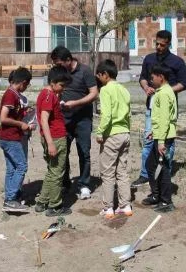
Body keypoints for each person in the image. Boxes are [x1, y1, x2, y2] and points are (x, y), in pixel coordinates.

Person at [132, 30, 186, 188]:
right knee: (148, 140)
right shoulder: (149, 59)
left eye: (161, 45)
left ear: (169, 43)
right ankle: (145, 174)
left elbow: (184, 83)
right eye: (156, 43)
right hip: (151, 108)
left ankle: (165, 174)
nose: (158, 47)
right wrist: (146, 88)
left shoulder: (177, 62)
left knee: (167, 142)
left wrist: (166, 90)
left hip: (168, 110)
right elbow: (143, 78)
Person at [50, 46, 99, 200]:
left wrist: (76, 103)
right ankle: (65, 183)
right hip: (63, 120)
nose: (56, 67)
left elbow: (94, 93)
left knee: (84, 152)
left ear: (68, 60)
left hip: (83, 120)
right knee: (62, 153)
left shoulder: (85, 71)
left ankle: (84, 184)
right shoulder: (58, 73)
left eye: (58, 63)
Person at [94, 59, 133, 219]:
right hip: (125, 133)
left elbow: (107, 114)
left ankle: (108, 208)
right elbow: (129, 113)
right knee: (122, 171)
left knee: (108, 172)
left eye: (99, 75)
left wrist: (100, 132)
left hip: (112, 134)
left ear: (105, 74)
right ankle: (125, 205)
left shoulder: (105, 90)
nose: (98, 78)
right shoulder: (124, 89)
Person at [34, 66, 74, 217]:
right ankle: (55, 206)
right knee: (57, 173)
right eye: (61, 86)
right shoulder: (49, 95)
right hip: (55, 138)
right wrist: (50, 143)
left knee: (51, 172)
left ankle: (42, 201)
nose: (62, 90)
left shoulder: (47, 94)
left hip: (52, 137)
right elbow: (44, 120)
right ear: (53, 82)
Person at [141, 64, 177, 213]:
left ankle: (165, 201)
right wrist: (154, 133)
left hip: (164, 138)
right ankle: (157, 195)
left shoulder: (162, 94)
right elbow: (161, 119)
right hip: (161, 135)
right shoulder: (166, 91)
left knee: (163, 169)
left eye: (152, 78)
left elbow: (164, 119)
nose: (150, 81)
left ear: (161, 77)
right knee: (151, 165)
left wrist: (160, 141)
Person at [0, 67, 33, 213]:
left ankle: (12, 195)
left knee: (12, 168)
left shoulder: (15, 95)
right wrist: (21, 124)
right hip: (10, 138)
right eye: (27, 85)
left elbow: (13, 113)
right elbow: (3, 117)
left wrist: (25, 112)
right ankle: (11, 199)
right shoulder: (10, 95)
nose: (26, 88)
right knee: (22, 166)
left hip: (10, 137)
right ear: (23, 82)